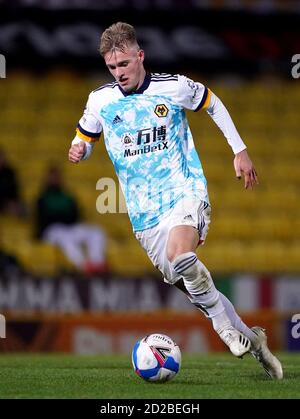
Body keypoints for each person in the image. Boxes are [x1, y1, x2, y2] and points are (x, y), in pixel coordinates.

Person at [68, 22, 283, 379]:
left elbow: (213, 103)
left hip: (185, 192)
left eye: (124, 64)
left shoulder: (173, 87)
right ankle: (252, 340)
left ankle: (224, 329)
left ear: (140, 56)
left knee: (181, 255)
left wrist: (239, 150)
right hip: (144, 216)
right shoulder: (100, 101)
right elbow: (86, 139)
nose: (119, 73)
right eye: (112, 67)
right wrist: (80, 150)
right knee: (194, 284)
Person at [35, 165, 107, 274]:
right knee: (64, 237)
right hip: (52, 230)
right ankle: (84, 266)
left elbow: (76, 214)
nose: (55, 179)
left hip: (69, 227)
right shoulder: (42, 197)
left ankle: (97, 263)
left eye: (57, 177)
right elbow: (40, 219)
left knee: (96, 231)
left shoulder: (67, 196)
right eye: (52, 177)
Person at [0, 148, 25, 217]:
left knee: (22, 208)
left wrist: (14, 201)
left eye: (1, 157)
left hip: (9, 201)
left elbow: (14, 188)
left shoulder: (10, 172)